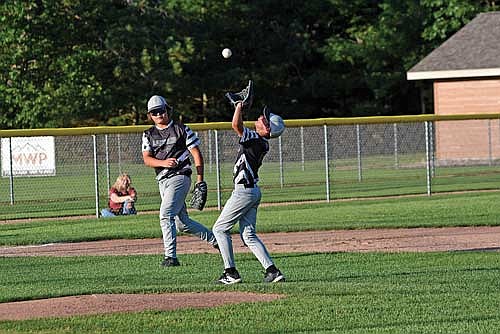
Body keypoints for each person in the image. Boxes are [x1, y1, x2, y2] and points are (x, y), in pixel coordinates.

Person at [212, 86, 286, 284]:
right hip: (251, 192)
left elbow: (236, 126)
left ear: (268, 129)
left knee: (219, 229)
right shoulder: (260, 141)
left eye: (264, 119)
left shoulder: (256, 139)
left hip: (244, 193)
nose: (261, 118)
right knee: (248, 235)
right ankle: (272, 271)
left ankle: (230, 272)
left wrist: (238, 106)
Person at [141, 95, 217, 267]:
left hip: (180, 177)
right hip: (162, 180)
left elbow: (196, 154)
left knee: (165, 214)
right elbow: (147, 159)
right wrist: (163, 163)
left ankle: (171, 257)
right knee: (182, 223)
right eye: (154, 112)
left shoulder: (181, 129)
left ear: (167, 109)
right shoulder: (148, 134)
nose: (159, 114)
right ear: (150, 115)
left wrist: (200, 180)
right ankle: (216, 240)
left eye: (161, 110)